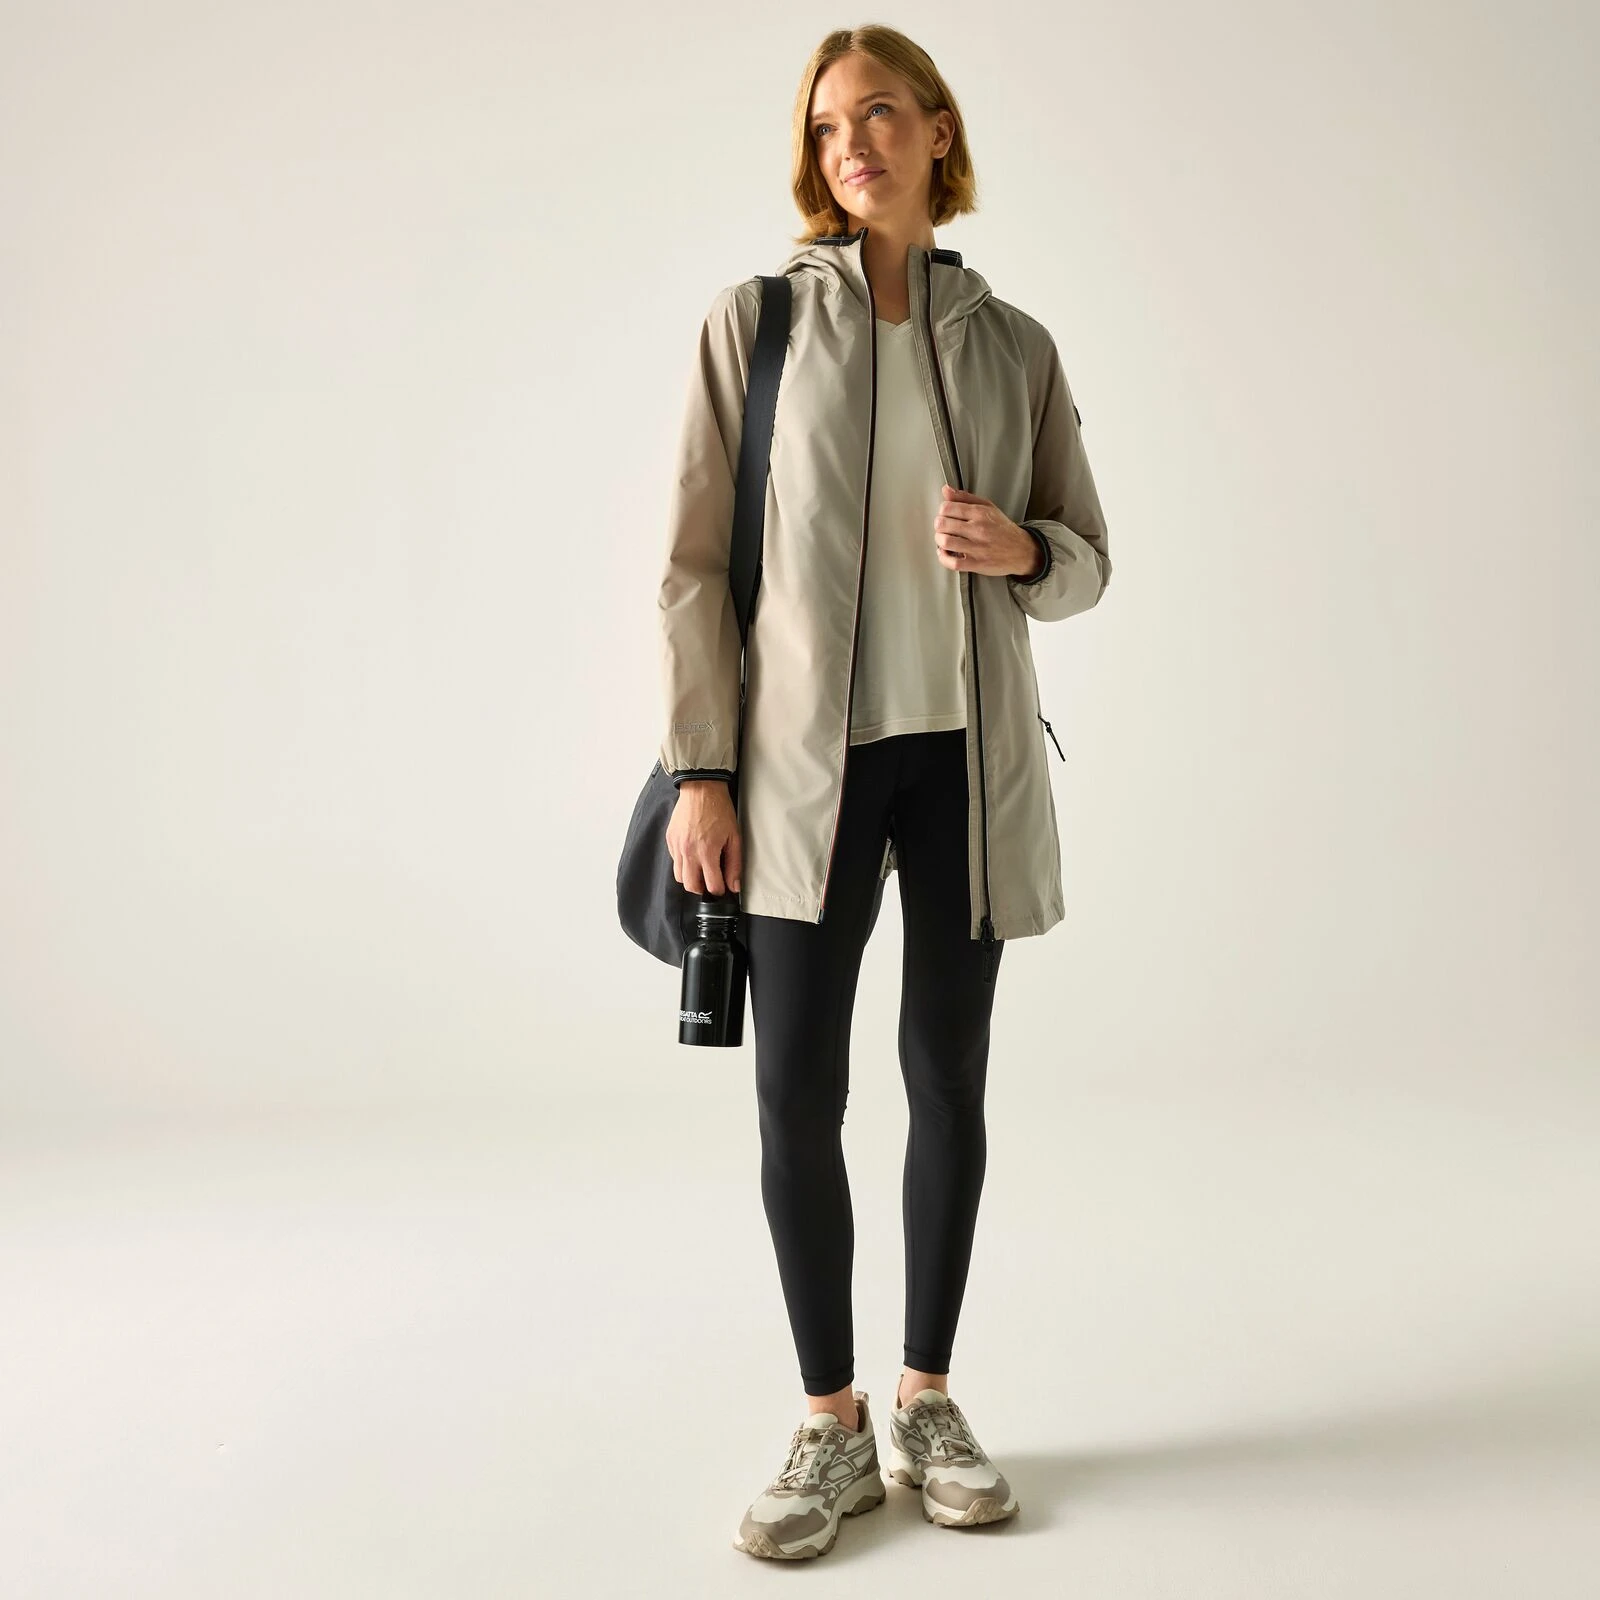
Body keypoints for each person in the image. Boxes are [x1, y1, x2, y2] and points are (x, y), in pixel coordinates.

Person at [657, 25, 1111, 1561]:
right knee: (796, 1095)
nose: (852, 142)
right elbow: (691, 570)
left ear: (936, 131)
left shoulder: (1012, 343)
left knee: (947, 1084)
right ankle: (829, 1425)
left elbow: (1088, 556)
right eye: (826, 124)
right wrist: (701, 769)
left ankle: (926, 1399)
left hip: (963, 761)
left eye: (879, 114)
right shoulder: (757, 326)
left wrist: (1029, 551)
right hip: (803, 773)